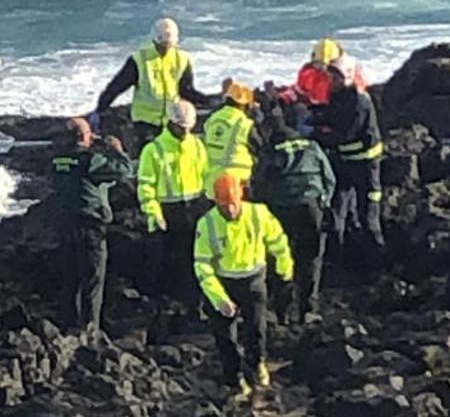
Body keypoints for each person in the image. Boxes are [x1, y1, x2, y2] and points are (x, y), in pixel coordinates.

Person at [194, 173, 294, 399]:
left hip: (253, 278)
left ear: (240, 197)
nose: (229, 209)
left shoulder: (258, 214)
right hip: (222, 282)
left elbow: (279, 242)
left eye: (232, 203)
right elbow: (202, 266)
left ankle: (256, 364)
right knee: (224, 335)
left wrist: (284, 271)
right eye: (224, 205)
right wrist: (219, 298)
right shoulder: (207, 224)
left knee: (256, 327)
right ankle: (233, 377)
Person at [251, 113, 336, 323]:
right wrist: (324, 203)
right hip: (311, 206)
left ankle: (282, 310)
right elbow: (329, 178)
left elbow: (260, 183)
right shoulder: (312, 146)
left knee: (281, 257)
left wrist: (263, 208)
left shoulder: (272, 151)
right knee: (311, 258)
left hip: (282, 208)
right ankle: (308, 307)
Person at [51, 117, 133, 330]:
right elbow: (124, 171)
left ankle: (68, 326)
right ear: (83, 137)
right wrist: (115, 149)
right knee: (92, 281)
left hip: (64, 224)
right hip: (91, 225)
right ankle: (90, 329)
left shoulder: (57, 161)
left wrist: (88, 142)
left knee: (70, 279)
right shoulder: (91, 161)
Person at [137, 100, 209, 326]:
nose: (185, 131)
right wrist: (153, 213)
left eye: (188, 127)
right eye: (182, 126)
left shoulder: (197, 145)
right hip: (167, 213)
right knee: (163, 263)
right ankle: (158, 310)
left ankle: (193, 308)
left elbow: (206, 175)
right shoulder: (154, 150)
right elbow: (146, 185)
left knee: (194, 261)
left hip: (195, 209)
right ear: (171, 122)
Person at [92, 18, 209, 153]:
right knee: (147, 158)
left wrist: (210, 100)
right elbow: (116, 87)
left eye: (168, 45)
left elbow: (186, 91)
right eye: (162, 45)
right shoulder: (140, 60)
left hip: (171, 122)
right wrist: (100, 109)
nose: (165, 48)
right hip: (144, 123)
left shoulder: (182, 60)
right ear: (154, 40)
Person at [318, 54, 385, 270]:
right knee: (338, 211)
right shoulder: (339, 96)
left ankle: (377, 264)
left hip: (366, 167)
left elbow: (345, 133)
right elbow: (331, 116)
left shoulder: (360, 100)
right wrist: (313, 118)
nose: (332, 83)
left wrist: (316, 136)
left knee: (368, 218)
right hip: (345, 164)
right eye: (331, 78)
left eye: (336, 79)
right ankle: (339, 260)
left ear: (347, 77)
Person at [202, 82, 264, 198]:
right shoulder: (244, 124)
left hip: (211, 183)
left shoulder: (212, 119)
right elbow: (261, 148)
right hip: (238, 185)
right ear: (246, 105)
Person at [296, 38, 368, 105]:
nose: (324, 68)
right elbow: (299, 91)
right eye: (319, 63)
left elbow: (360, 92)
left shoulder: (350, 72)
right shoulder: (307, 73)